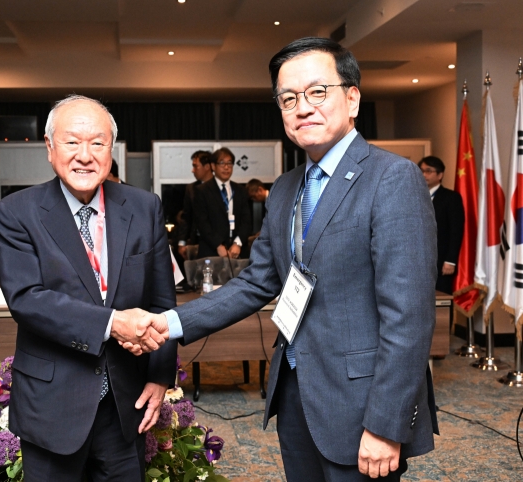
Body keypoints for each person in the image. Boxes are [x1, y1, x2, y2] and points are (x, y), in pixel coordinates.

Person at [126, 37, 439, 481]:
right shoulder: (288, 187)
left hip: (362, 403)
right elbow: (258, 282)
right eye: (288, 98)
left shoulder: (392, 179)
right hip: (296, 392)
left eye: (317, 92)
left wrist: (386, 424)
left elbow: (409, 316)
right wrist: (169, 323)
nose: (302, 107)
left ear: (352, 98)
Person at [0, 95, 177, 482]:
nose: (85, 155)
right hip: (52, 404)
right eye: (71, 141)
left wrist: (160, 377)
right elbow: (27, 299)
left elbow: (162, 301)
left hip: (126, 402)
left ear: (112, 149)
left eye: (98, 142)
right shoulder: (16, 213)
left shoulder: (144, 208)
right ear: (49, 146)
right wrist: (112, 323)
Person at [193, 147, 252, 259]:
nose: (226, 167)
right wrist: (218, 245)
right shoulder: (202, 191)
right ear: (213, 166)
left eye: (229, 164)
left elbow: (247, 221)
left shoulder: (240, 190)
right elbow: (202, 223)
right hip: (211, 251)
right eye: (222, 163)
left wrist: (237, 243)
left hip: (238, 252)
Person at [418, 156, 464, 294]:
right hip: (417, 262)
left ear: (440, 175)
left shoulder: (451, 198)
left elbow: (456, 230)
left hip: (440, 260)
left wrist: (450, 260)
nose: (424, 174)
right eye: (421, 171)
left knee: (439, 303)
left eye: (428, 171)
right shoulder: (414, 196)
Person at [176, 150, 213, 259]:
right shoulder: (191, 189)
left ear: (207, 167)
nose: (193, 170)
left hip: (218, 242)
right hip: (196, 241)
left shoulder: (220, 188)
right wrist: (182, 242)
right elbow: (186, 217)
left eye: (195, 166)